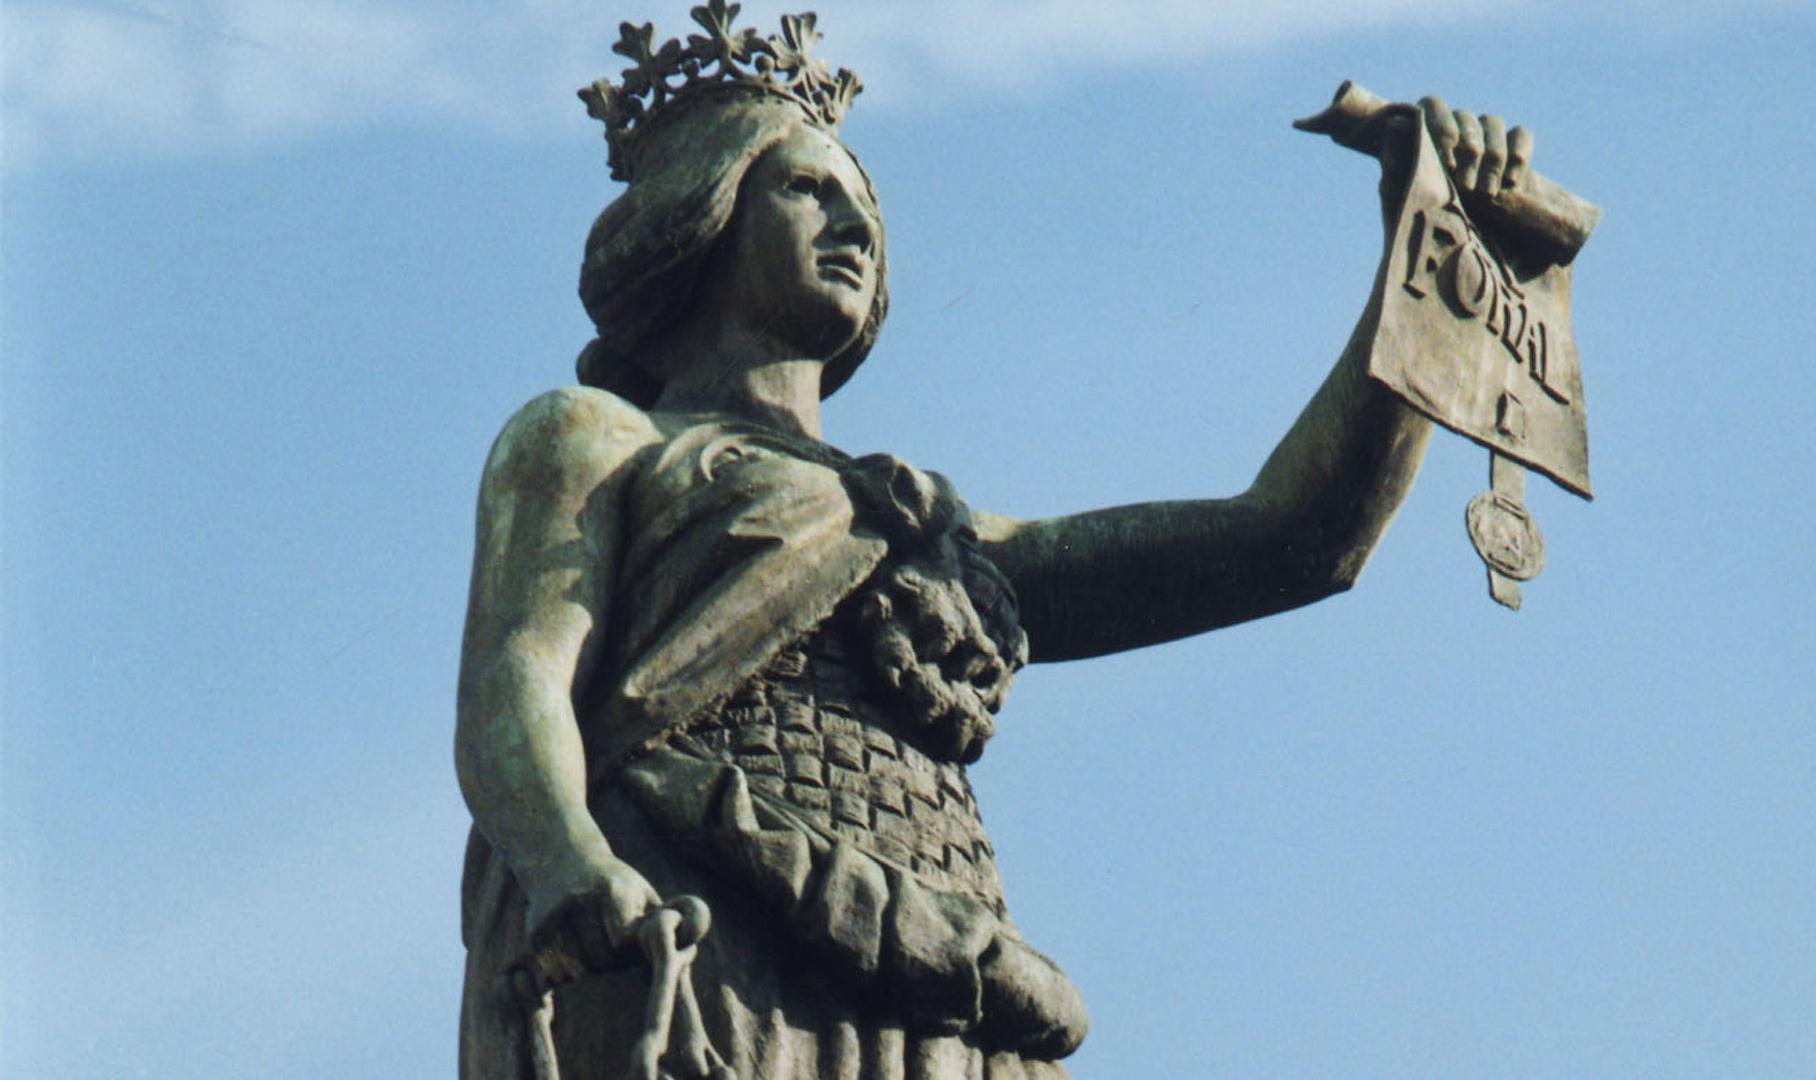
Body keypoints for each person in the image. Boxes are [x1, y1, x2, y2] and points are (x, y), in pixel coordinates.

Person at [455, 8, 1540, 1078]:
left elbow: (1300, 541)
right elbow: (520, 671)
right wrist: (562, 857)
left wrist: (1430, 260)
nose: (856, 225)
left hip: (943, 990)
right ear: (707, 210)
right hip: (699, 935)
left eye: (865, 205)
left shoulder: (929, 533)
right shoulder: (596, 438)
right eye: (807, 188)